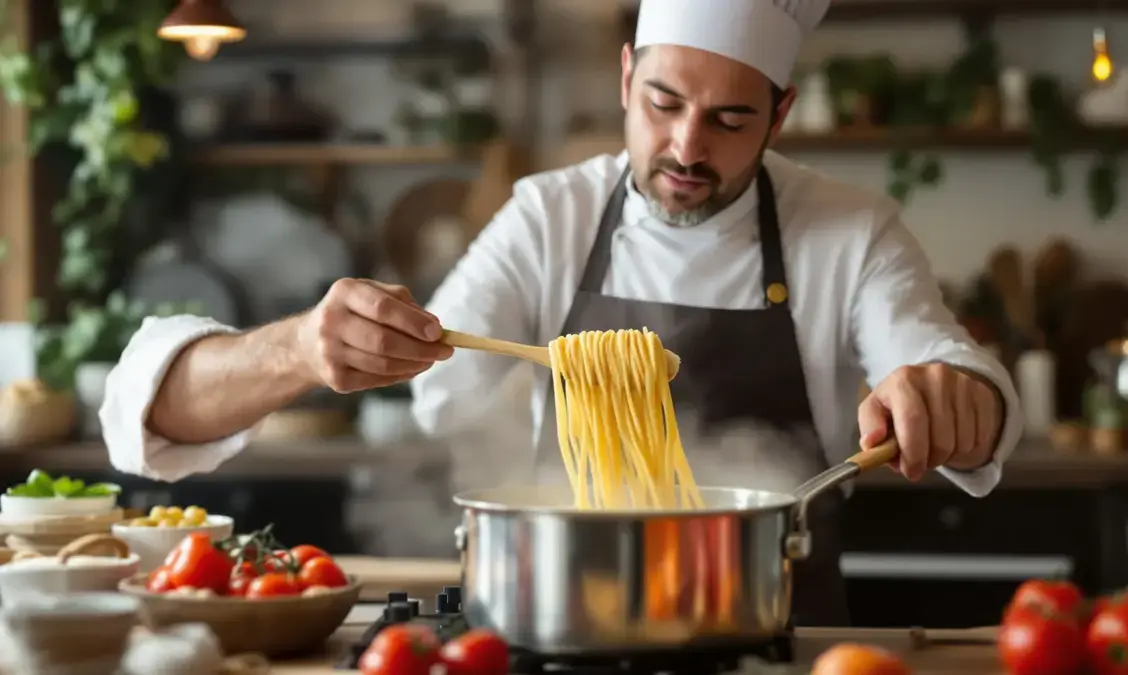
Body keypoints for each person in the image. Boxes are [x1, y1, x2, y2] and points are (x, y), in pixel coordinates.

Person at [100, 0, 1022, 627]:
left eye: (731, 120)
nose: (686, 148)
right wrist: (309, 344)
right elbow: (436, 395)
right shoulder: (552, 214)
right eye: (662, 103)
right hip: (570, 612)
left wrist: (953, 393)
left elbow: (943, 364)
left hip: (774, 615)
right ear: (625, 78)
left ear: (779, 115)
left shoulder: (849, 230)